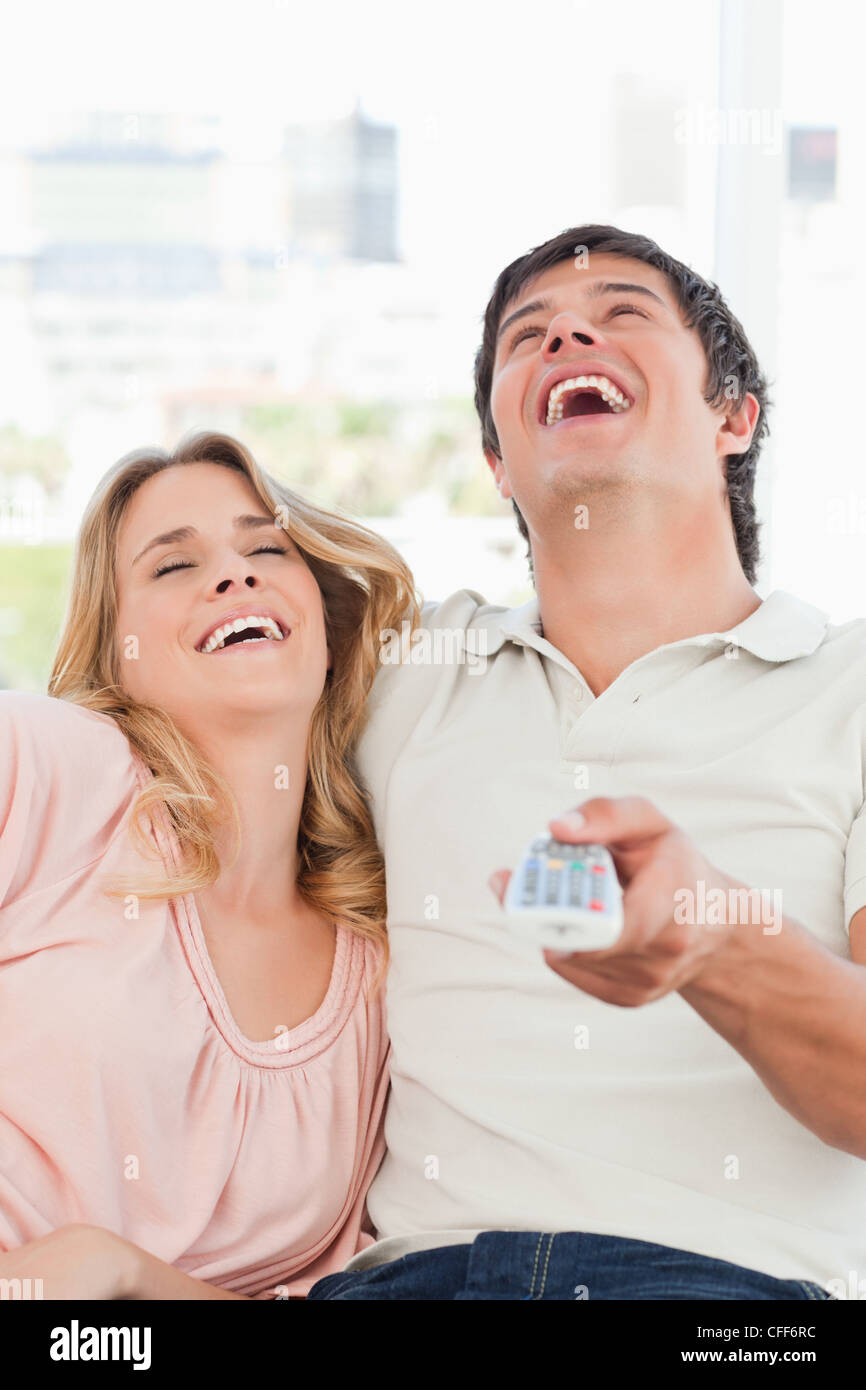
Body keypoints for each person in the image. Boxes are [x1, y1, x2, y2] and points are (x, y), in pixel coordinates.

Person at [307, 223, 866, 1301]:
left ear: (731, 417)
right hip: (411, 1287)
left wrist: (711, 934)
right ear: (496, 461)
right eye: (528, 336)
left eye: (619, 313)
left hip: (725, 1301)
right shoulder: (397, 673)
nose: (565, 330)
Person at [0, 429, 417, 1299]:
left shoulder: (378, 964)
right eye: (171, 566)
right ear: (120, 654)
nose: (235, 575)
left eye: (266, 547)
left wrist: (119, 1276)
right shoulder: (51, 770)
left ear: (330, 633)